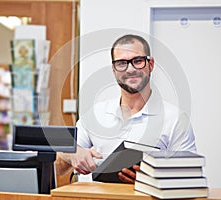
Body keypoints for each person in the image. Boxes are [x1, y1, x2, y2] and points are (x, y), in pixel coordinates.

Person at [55, 34, 196, 183]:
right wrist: (70, 154)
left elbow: (190, 177)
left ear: (151, 64)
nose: (130, 69)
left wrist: (152, 180)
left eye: (138, 61)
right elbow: (57, 167)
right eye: (122, 63)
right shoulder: (96, 114)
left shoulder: (175, 119)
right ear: (114, 69)